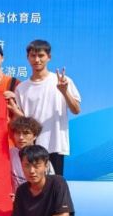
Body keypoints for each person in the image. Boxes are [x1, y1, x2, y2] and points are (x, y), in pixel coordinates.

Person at [13, 39, 81, 176]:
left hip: (55, 144)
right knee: (32, 185)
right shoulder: (21, 88)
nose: (37, 60)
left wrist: (64, 91)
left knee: (54, 185)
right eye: (33, 56)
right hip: (31, 147)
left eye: (41, 55)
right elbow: (23, 121)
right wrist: (15, 110)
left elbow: (76, 110)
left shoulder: (62, 81)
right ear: (28, 57)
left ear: (49, 57)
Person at [8, 116, 54, 193]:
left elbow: (50, 188)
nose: (21, 137)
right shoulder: (9, 154)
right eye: (18, 133)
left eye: (26, 133)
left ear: (35, 136)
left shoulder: (41, 156)